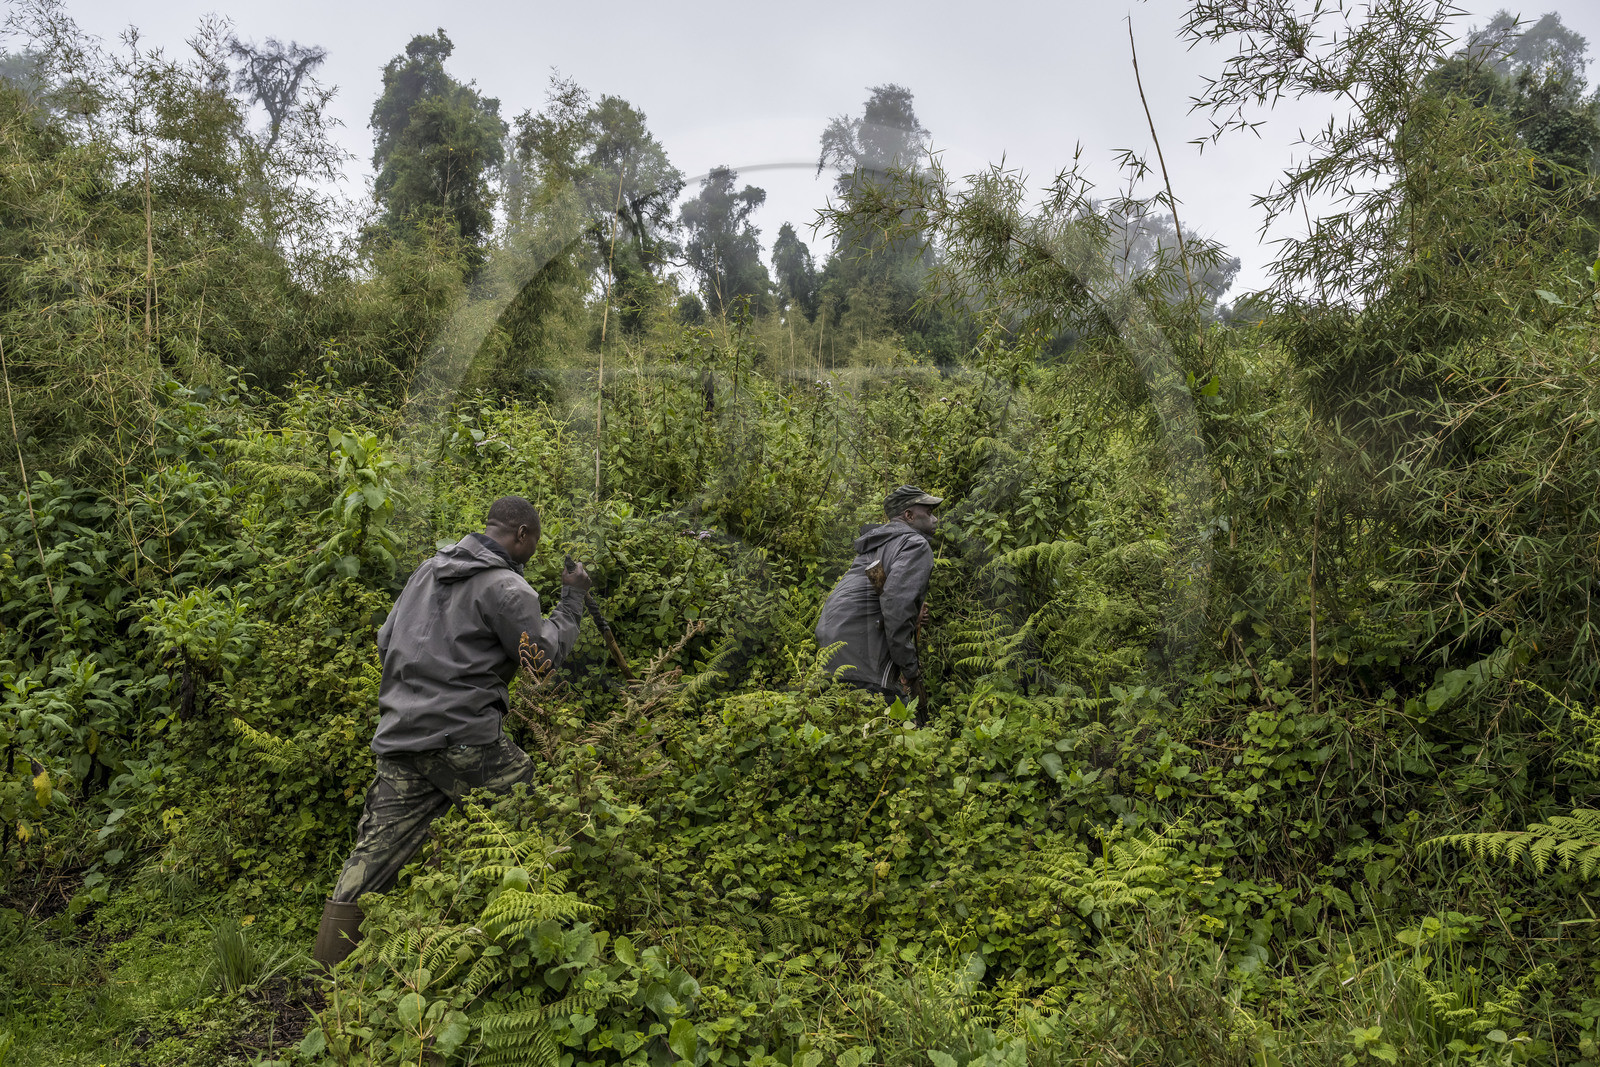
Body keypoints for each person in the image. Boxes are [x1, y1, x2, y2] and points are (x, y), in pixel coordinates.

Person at [312, 496, 592, 967]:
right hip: (464, 739)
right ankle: (550, 945)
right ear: (522, 535)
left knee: (371, 857)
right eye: (535, 541)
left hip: (401, 734)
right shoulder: (508, 588)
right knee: (535, 819)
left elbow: (386, 640)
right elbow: (541, 661)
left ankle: (324, 976)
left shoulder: (427, 570)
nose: (535, 551)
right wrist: (574, 598)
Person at [815, 485, 940, 715]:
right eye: (929, 512)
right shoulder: (915, 544)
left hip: (832, 642)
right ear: (909, 515)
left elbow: (880, 591)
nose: (935, 519)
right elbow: (895, 607)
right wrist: (911, 671)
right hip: (863, 650)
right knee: (899, 727)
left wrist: (912, 618)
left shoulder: (878, 543)